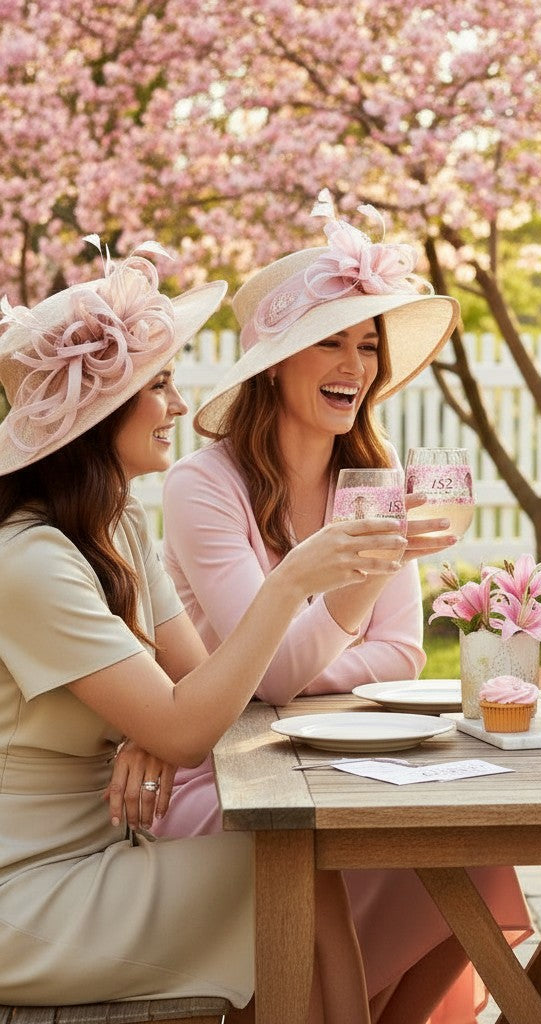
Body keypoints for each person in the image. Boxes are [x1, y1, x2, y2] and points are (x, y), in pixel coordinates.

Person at [151, 195, 530, 1024]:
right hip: (226, 772)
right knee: (327, 850)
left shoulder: (377, 478)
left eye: (367, 345)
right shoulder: (203, 488)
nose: (355, 365)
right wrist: (347, 594)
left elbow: (399, 656)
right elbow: (274, 676)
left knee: (465, 842)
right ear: (274, 364)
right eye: (330, 341)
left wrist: (294, 671)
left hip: (344, 748)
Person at [0, 243, 408, 1015]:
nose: (182, 407)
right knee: (294, 877)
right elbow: (194, 725)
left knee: (301, 874)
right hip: (27, 894)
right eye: (159, 386)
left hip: (101, 857)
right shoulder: (31, 563)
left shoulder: (114, 523)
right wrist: (291, 583)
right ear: (98, 412)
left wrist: (149, 727)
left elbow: (198, 695)